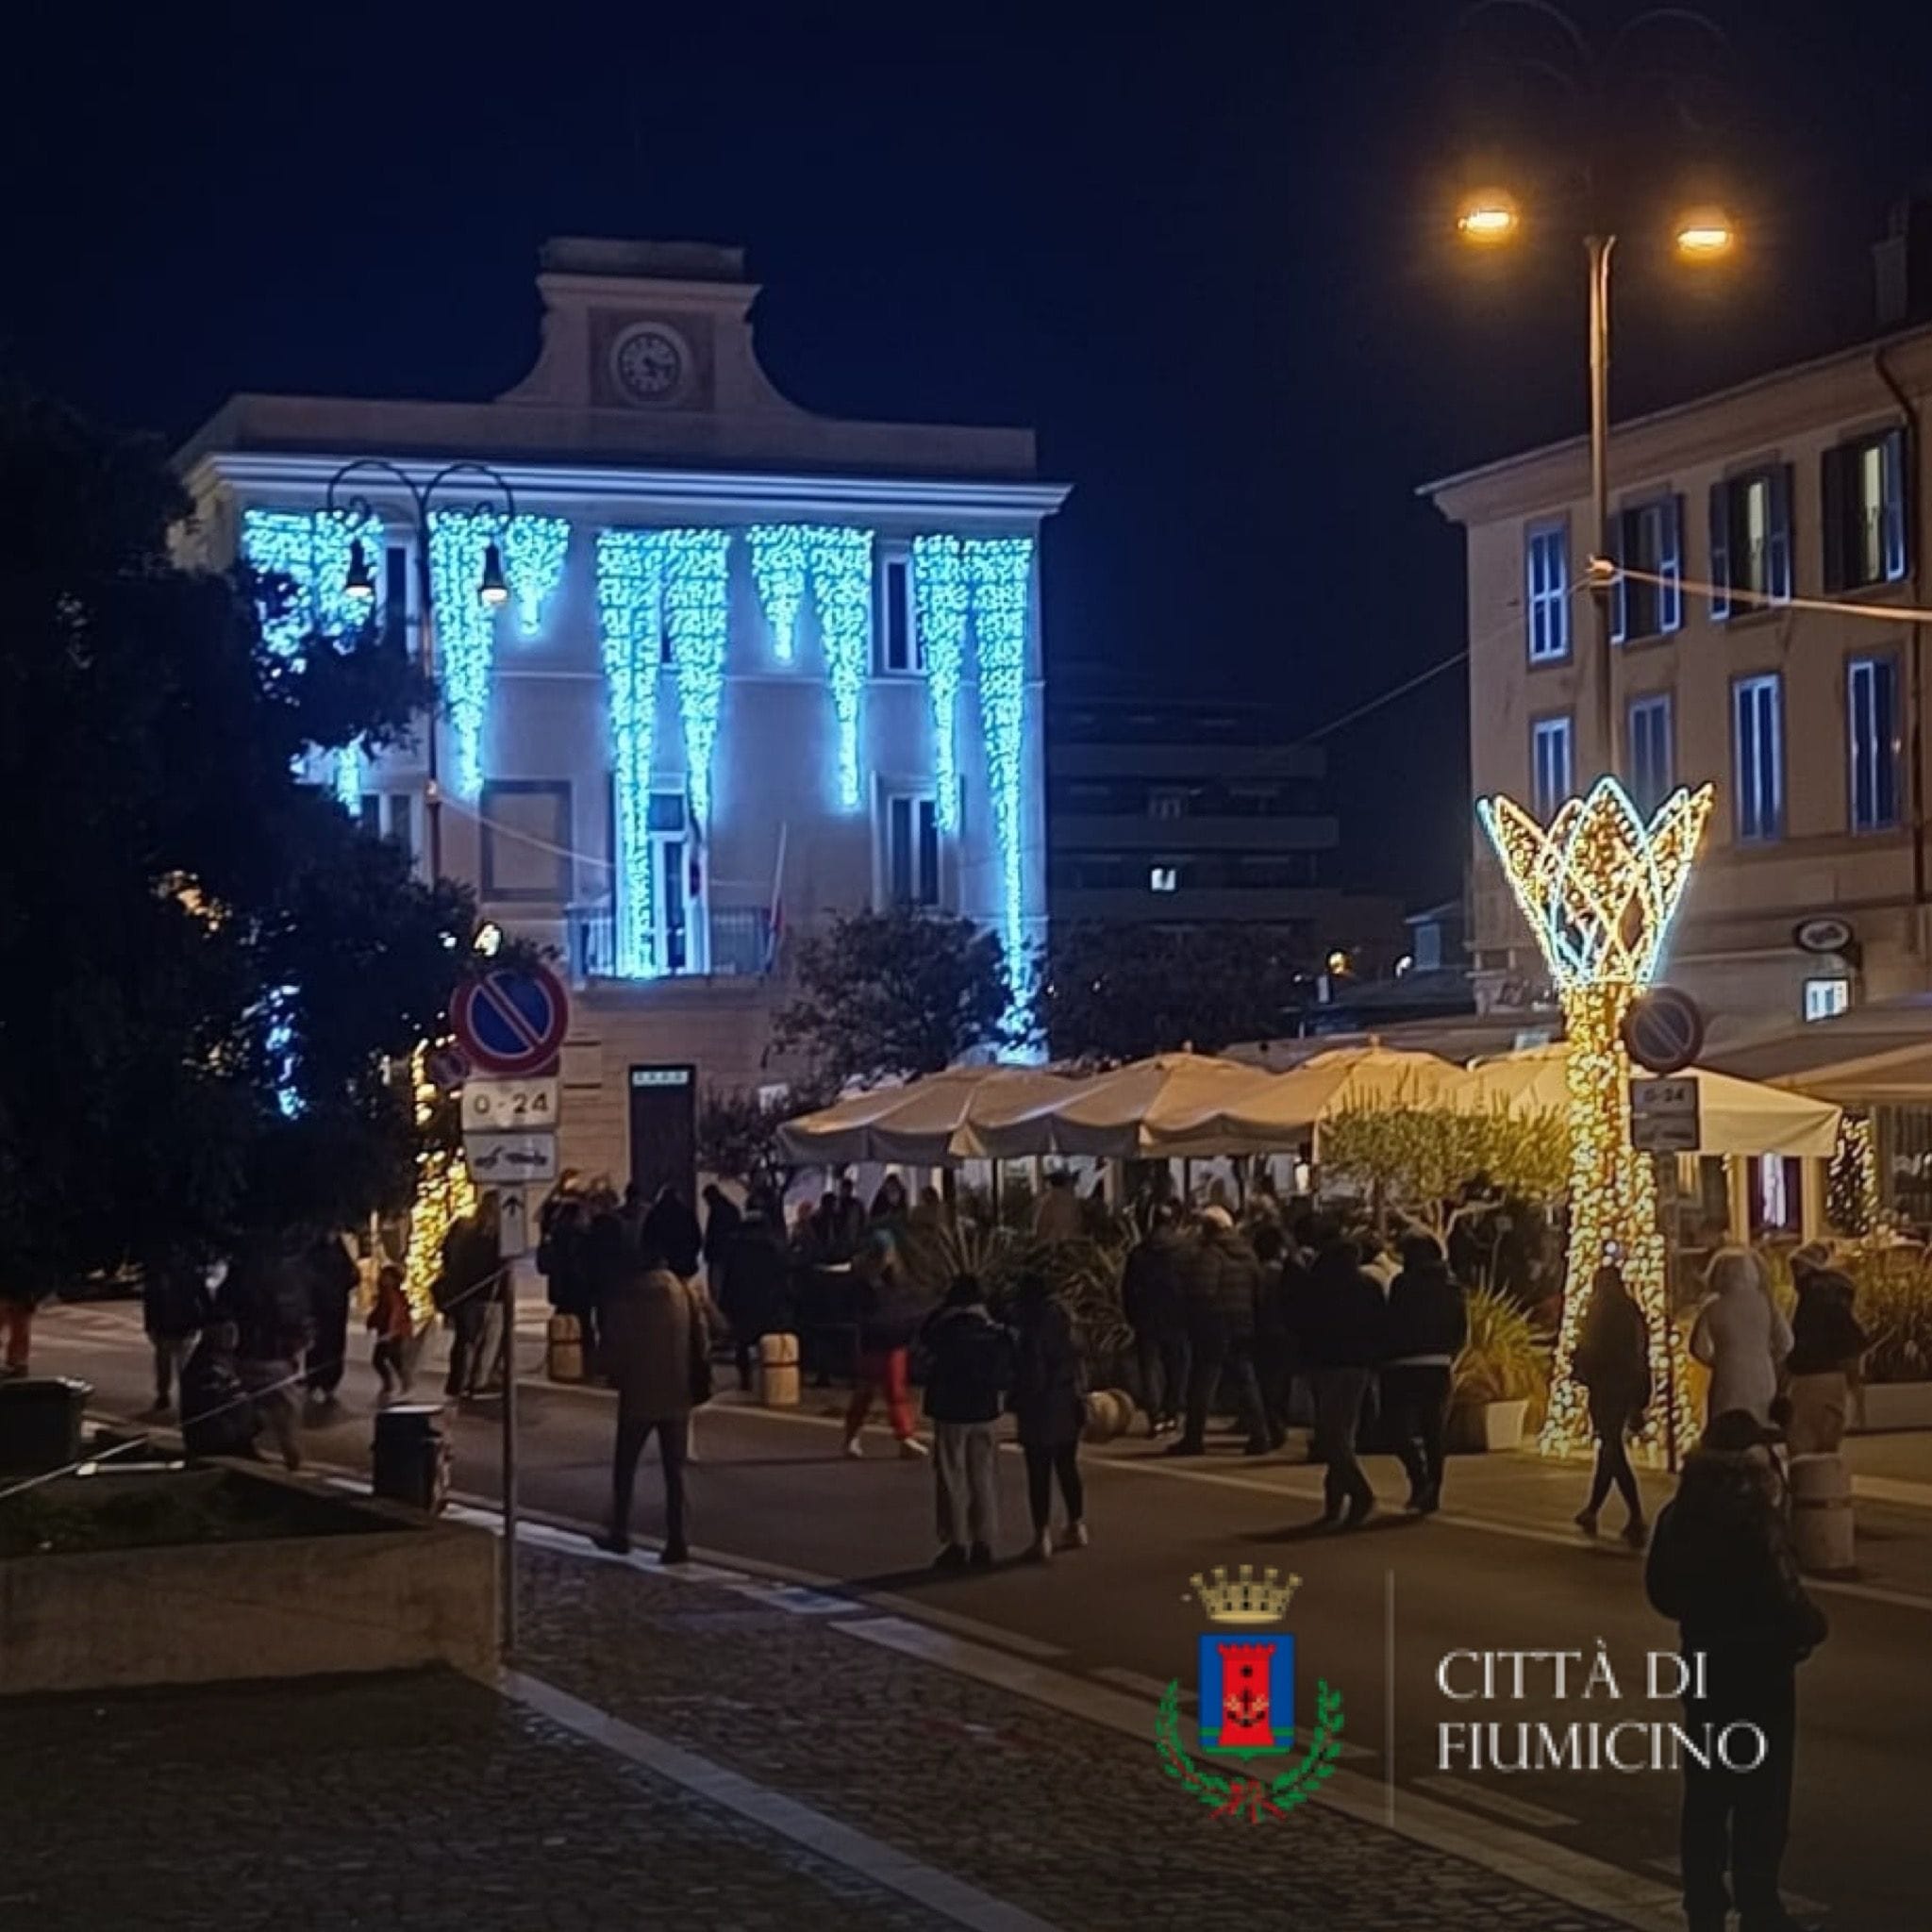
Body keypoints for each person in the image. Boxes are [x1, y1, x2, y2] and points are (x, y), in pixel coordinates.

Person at [1646, 1409, 1827, 1932]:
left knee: (1706, 1792)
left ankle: (1703, 1901)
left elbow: (1661, 1590)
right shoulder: (1757, 1514)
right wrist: (1812, 1628)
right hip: (1761, 1671)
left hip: (1704, 1665)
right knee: (1762, 1795)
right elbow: (1785, 1595)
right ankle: (1758, 1901)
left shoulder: (1678, 1515)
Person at [594, 1242, 705, 1562]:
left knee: (625, 1468)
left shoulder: (627, 1297)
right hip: (677, 1392)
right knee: (675, 1473)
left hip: (638, 1393)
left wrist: (610, 1371)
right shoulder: (684, 1293)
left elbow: (613, 1346)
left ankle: (620, 1532)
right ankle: (677, 1540)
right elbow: (702, 1339)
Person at [918, 1276, 1014, 1569]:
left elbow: (924, 1339)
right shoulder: (993, 1330)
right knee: (983, 1476)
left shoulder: (944, 1328)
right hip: (984, 1411)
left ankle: (957, 1542)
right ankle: (984, 1542)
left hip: (951, 1410)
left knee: (952, 1477)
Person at [1300, 1224, 1389, 1526]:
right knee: (1340, 1435)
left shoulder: (1317, 1287)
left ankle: (1358, 1494)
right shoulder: (1367, 1287)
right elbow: (1380, 1326)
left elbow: (1305, 1324)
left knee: (1332, 1436)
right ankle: (1336, 1502)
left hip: (1328, 1364)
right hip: (1355, 1366)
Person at [1170, 1206, 1270, 1458]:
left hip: (1215, 1326)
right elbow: (1259, 1291)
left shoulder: (1210, 1254)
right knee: (1246, 1379)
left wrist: (1193, 1317)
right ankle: (1260, 1435)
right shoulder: (1247, 1253)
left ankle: (1193, 1437)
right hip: (1243, 1323)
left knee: (1203, 1381)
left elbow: (1202, 1291)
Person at [1382, 1231, 1467, 1514]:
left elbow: (1392, 1322)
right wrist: (1449, 1353)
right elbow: (1460, 1330)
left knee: (1397, 1428)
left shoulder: (1403, 1284)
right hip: (1438, 1364)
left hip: (1403, 1364)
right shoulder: (1453, 1288)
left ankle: (1419, 1478)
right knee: (1434, 1432)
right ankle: (1433, 1487)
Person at [1570, 1261, 1653, 1547]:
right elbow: (1642, 1352)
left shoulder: (1600, 1311)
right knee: (1609, 1447)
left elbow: (1591, 1347)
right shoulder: (1631, 1310)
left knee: (1611, 1448)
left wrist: (1581, 1367)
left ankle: (1635, 1514)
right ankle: (1593, 1510)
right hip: (1628, 1384)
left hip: (1607, 1387)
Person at [1008, 1269, 1089, 1560]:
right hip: (1068, 1399)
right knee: (1067, 1465)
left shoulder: (1033, 1324)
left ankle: (1041, 1534)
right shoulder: (1068, 1319)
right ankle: (1076, 1524)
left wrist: (1019, 1399)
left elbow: (1033, 1370)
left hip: (1041, 1405)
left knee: (1039, 1471)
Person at [218, 1238, 307, 1472]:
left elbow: (221, 1313)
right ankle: (291, 1458)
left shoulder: (237, 1281)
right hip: (273, 1356)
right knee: (285, 1415)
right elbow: (294, 1316)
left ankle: (253, 1444)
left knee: (245, 1405)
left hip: (248, 1355)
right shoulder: (282, 1280)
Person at [842, 1231, 929, 1458]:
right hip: (873, 1339)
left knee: (896, 1390)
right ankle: (852, 1436)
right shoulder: (863, 1277)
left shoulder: (895, 1277)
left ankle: (905, 1436)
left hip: (893, 1339)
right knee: (865, 1392)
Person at [1690, 1248, 1792, 1426]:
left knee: (1727, 1426)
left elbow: (1698, 1348)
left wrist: (1717, 1360)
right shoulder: (1766, 1303)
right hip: (1762, 1374)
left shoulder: (1713, 1307)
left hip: (1727, 1375)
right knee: (1759, 1423)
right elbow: (1786, 1342)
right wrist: (1767, 1357)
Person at [1784, 1245, 1869, 1455]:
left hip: (1807, 1375)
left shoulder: (1811, 1296)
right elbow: (1850, 1340)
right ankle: (1828, 1481)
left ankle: (1810, 1484)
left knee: (1803, 1439)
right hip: (1834, 1375)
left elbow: (1798, 1338)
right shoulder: (1836, 1296)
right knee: (1828, 1439)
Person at [1122, 1204, 1190, 1436]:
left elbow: (1128, 1288)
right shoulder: (1183, 1251)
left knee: (1150, 1367)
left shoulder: (1140, 1252)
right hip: (1177, 1316)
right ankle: (1172, 1412)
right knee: (1176, 1366)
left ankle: (1155, 1415)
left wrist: (1132, 1315)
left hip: (1147, 1317)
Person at [719, 1204, 791, 1391]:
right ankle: (768, 1378)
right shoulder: (772, 1246)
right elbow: (781, 1274)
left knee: (742, 1342)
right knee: (765, 1341)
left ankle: (745, 1379)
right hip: (766, 1300)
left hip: (743, 1300)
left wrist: (726, 1301)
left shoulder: (735, 1246)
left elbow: (728, 1276)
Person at [439, 1193, 502, 1400]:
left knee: (464, 1340)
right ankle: (478, 1382)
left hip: (463, 1293)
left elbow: (446, 1255)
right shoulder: (493, 1235)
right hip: (487, 1295)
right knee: (486, 1340)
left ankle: (458, 1382)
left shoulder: (462, 1227)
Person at [178, 1320, 259, 1460]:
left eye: (234, 1332)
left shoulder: (225, 1359)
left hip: (230, 1434)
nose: (233, 1338)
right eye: (227, 1333)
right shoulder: (206, 1366)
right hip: (216, 1441)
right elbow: (209, 1405)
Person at [142, 1257, 211, 1415]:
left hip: (181, 1327)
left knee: (178, 1366)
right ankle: (165, 1395)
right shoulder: (164, 1274)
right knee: (169, 1365)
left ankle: (174, 1396)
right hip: (169, 1326)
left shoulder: (170, 1274)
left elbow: (202, 1298)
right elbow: (150, 1300)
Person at [302, 1230, 358, 1413]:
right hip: (321, 1307)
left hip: (334, 1308)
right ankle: (317, 1381)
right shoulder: (317, 1253)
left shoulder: (335, 1253)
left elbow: (352, 1275)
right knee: (320, 1345)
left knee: (332, 1345)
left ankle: (328, 1382)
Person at [368, 1261, 414, 1401]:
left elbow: (396, 1314)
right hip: (386, 1331)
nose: (384, 1280)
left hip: (394, 1333)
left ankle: (404, 1385)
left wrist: (391, 1332)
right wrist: (372, 1322)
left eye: (387, 1277)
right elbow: (380, 1312)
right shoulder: (384, 1295)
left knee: (394, 1359)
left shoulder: (393, 1296)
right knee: (380, 1360)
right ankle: (390, 1385)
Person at [642, 1184, 703, 1284]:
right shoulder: (686, 1214)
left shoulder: (655, 1214)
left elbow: (647, 1238)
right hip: (684, 1263)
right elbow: (697, 1238)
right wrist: (691, 1255)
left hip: (662, 1263)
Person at [701, 1183, 743, 1304]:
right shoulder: (730, 1209)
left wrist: (708, 1250)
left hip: (718, 1254)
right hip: (728, 1254)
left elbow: (713, 1234)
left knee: (716, 1286)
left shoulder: (717, 1211)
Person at [1034, 1169, 1085, 1243]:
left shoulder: (1047, 1200)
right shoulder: (1071, 1201)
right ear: (1066, 1183)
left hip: (1052, 1245)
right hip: (1070, 1244)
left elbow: (1040, 1227)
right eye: (1071, 1183)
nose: (1074, 1187)